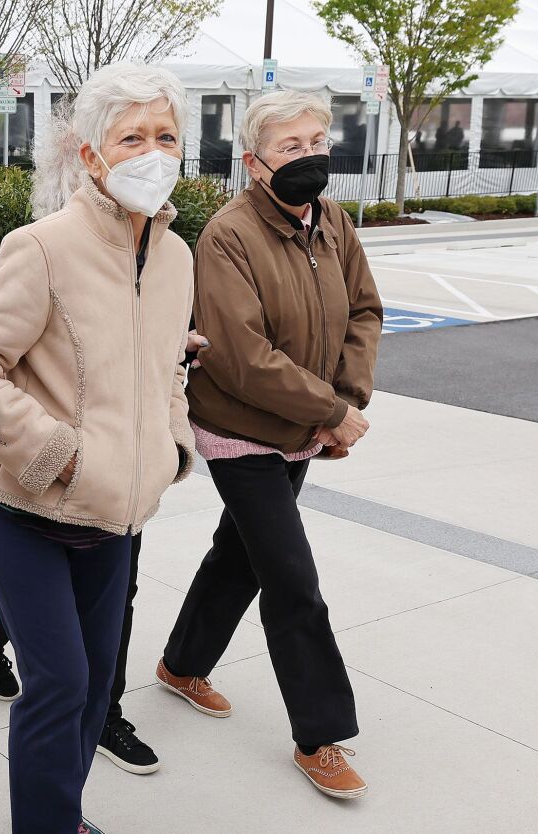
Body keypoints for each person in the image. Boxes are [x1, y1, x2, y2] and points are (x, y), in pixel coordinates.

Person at [0, 63, 198, 834]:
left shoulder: (176, 256)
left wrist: (168, 447)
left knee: (96, 687)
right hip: (26, 510)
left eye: (165, 135)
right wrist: (55, 452)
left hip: (116, 518)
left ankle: (59, 816)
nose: (151, 151)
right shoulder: (39, 247)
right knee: (60, 685)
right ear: (91, 154)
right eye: (130, 136)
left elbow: (168, 362)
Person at [158, 90, 383, 801]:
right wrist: (327, 413)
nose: (311, 154)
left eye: (317, 139)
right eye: (290, 146)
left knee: (240, 557)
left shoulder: (333, 220)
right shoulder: (226, 236)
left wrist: (340, 405)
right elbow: (239, 355)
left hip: (300, 427)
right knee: (291, 579)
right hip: (241, 432)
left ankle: (180, 665)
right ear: (254, 163)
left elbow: (364, 311)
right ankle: (319, 735)